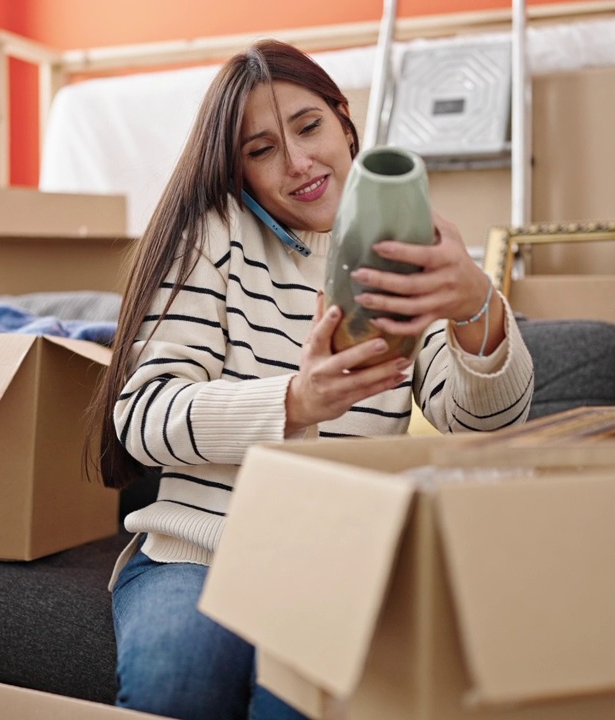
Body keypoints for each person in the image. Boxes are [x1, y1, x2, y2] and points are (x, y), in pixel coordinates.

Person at [89, 39, 534, 720]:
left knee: (299, 706)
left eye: (308, 127)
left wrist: (478, 301)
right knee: (176, 685)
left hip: (337, 564)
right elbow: (143, 417)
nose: (298, 164)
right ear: (237, 170)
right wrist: (295, 402)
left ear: (343, 121)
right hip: (195, 554)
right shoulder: (215, 236)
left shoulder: (414, 249)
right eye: (261, 150)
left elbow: (485, 426)